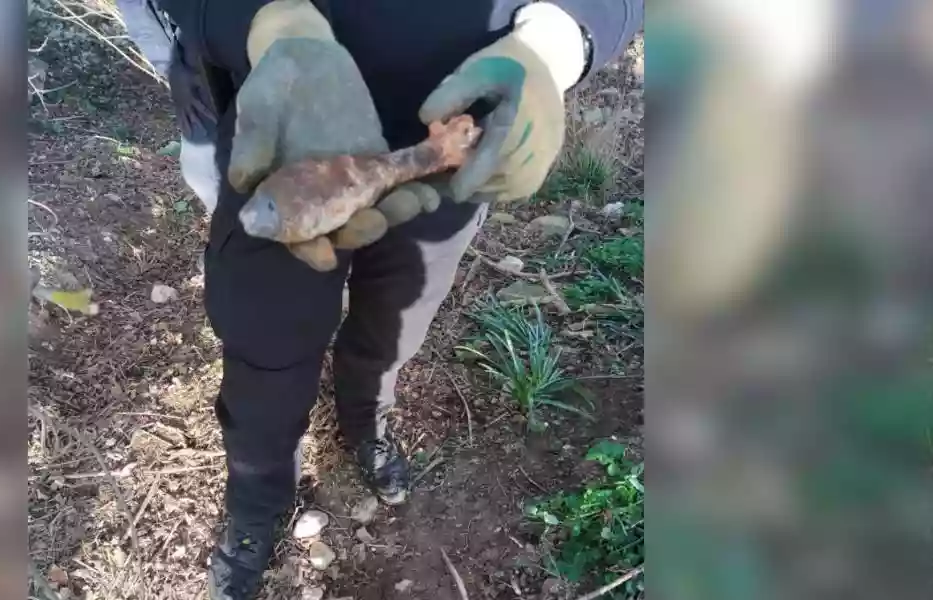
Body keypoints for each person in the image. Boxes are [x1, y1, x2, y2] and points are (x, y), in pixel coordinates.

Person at [120, 1, 641, 598]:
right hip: (289, 125)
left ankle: (366, 420)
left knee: (397, 320)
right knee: (265, 333)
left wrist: (558, 40)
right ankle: (256, 496)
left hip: (449, 144)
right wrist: (266, 20)